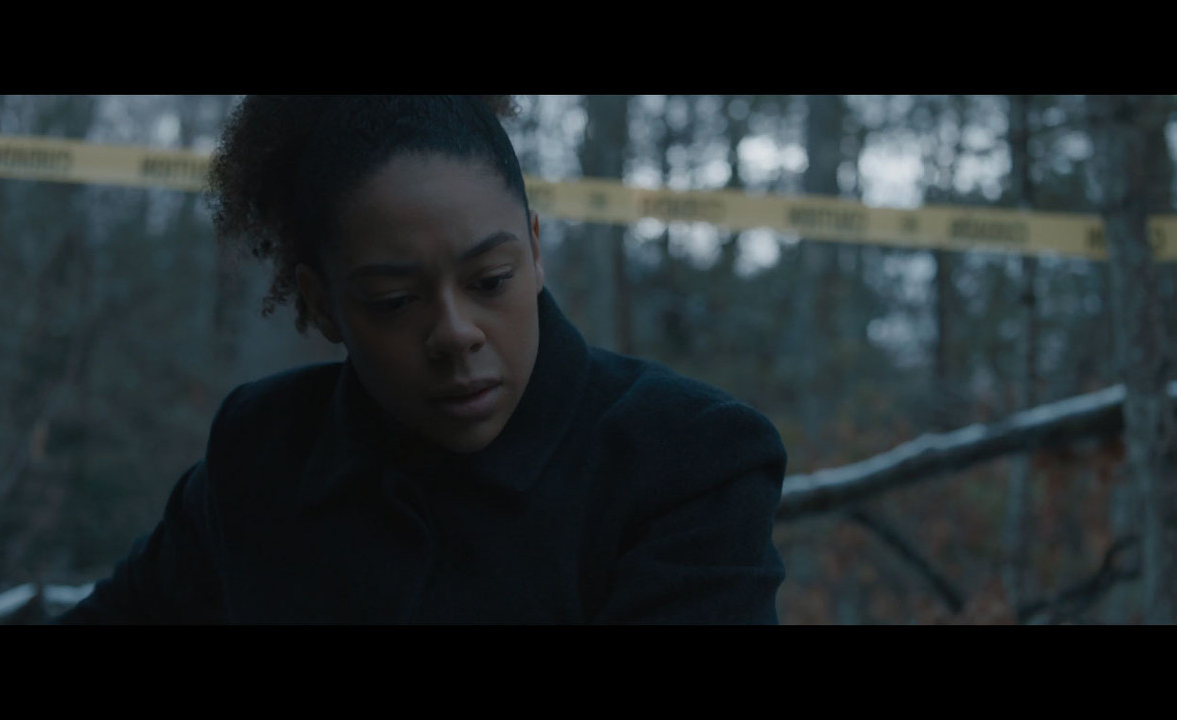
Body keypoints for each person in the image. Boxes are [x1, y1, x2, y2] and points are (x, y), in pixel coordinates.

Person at [57, 95, 787, 624]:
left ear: (535, 251)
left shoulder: (689, 462)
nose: (456, 333)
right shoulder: (260, 451)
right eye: (395, 300)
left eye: (489, 281)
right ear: (321, 305)